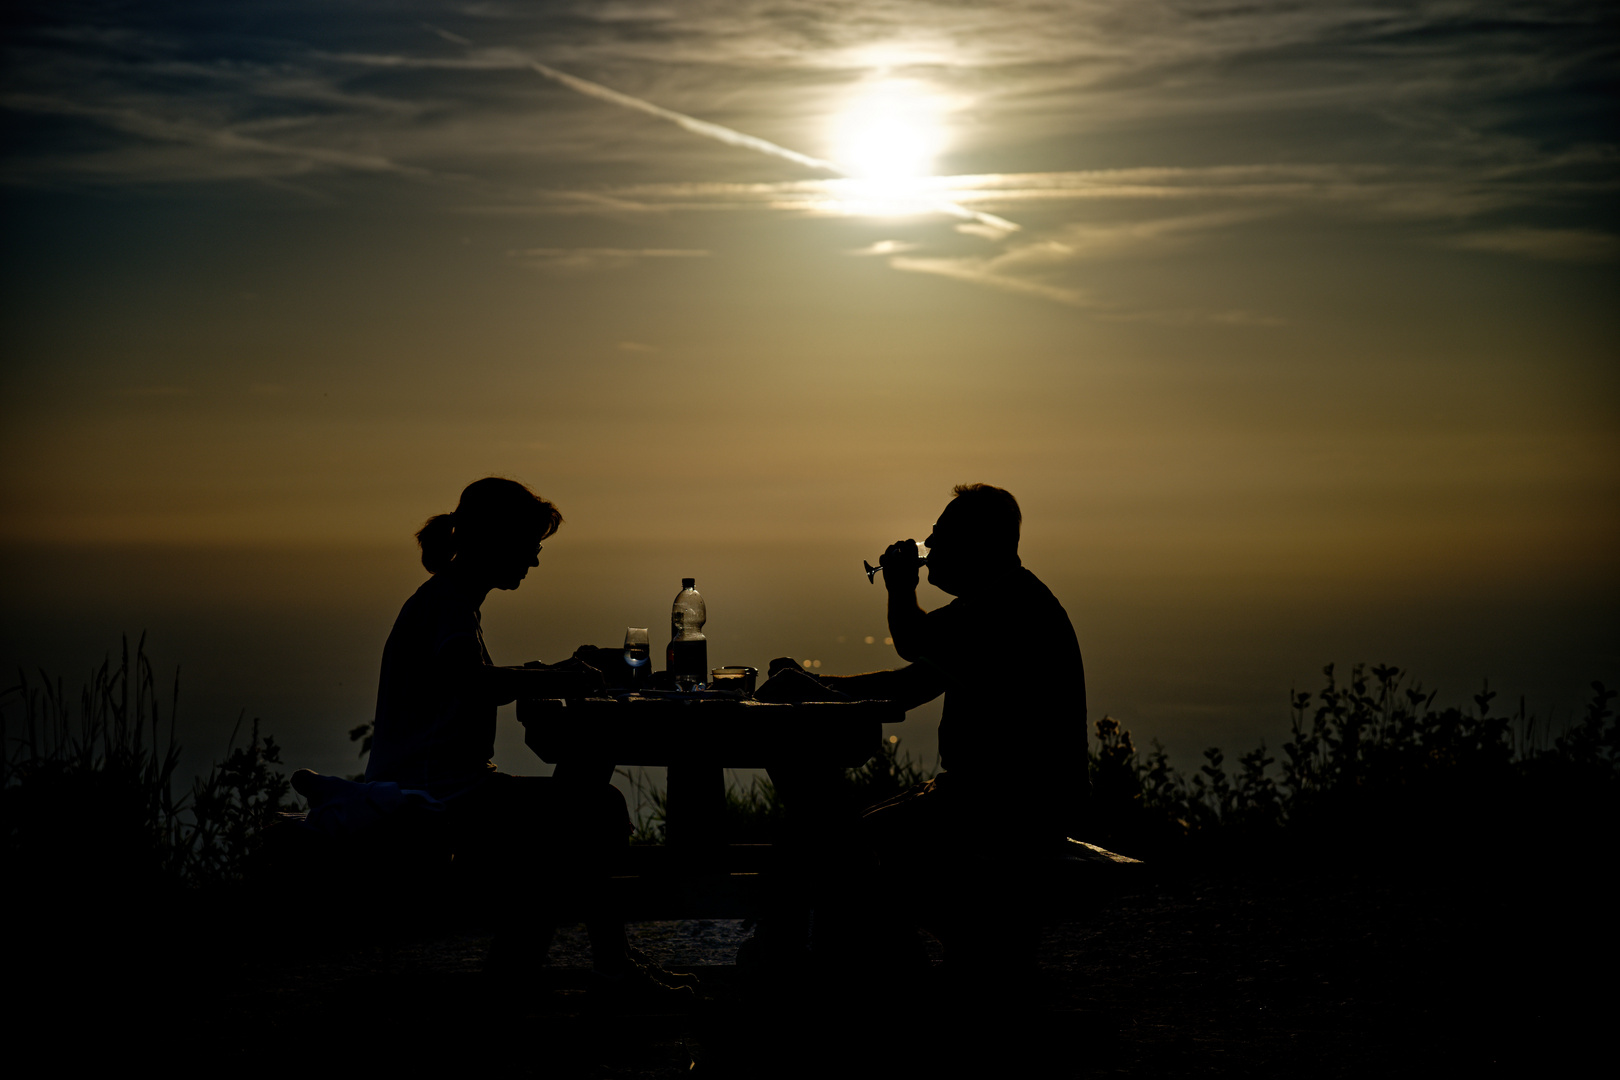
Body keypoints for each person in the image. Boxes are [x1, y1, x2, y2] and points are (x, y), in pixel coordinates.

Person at [363, 476, 692, 995]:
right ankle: (595, 969)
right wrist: (557, 677)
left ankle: (588, 966)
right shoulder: (448, 604)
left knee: (582, 808)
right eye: (529, 547)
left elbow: (469, 679)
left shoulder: (449, 599)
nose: (535, 562)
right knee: (591, 809)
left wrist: (554, 669)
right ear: (496, 540)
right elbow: (472, 684)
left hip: (437, 786)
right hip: (433, 796)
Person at [768, 483, 1088, 968]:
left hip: (1008, 806)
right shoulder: (995, 602)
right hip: (1007, 800)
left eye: (940, 537)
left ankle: (899, 978)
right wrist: (812, 683)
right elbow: (909, 685)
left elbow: (911, 644)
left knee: (851, 850)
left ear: (977, 544)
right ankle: (926, 966)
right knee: (851, 843)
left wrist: (900, 588)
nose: (929, 548)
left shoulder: (1008, 610)